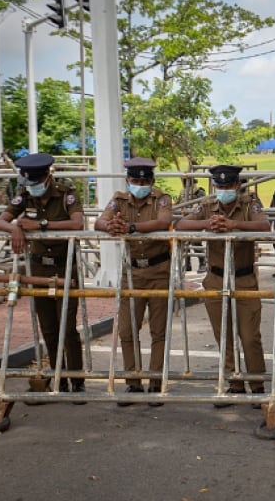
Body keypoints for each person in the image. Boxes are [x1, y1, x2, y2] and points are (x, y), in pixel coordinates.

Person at [175, 165, 271, 407]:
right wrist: (208, 223)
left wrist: (233, 226)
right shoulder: (207, 206)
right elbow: (181, 225)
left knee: (249, 337)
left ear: (237, 186)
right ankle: (234, 384)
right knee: (224, 335)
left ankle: (257, 386)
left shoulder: (250, 204)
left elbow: (264, 226)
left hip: (244, 278)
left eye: (228, 186)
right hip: (216, 278)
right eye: (219, 187)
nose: (223, 191)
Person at [0, 153, 85, 400]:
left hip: (64, 267)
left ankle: (77, 379)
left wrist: (41, 225)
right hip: (38, 269)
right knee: (49, 327)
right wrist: (14, 229)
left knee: (67, 327)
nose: (32, 186)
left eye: (36, 182)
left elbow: (78, 224)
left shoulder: (67, 194)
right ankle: (58, 376)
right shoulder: (24, 195)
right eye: (28, 182)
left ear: (47, 176)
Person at [95, 157, 173, 407]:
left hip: (159, 269)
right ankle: (133, 381)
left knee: (158, 331)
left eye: (145, 180)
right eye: (135, 180)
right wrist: (112, 225)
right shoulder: (119, 200)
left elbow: (163, 222)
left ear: (151, 181)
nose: (140, 184)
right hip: (131, 272)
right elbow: (99, 222)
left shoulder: (162, 198)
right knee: (128, 330)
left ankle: (155, 381)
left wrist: (130, 227)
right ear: (128, 180)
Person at [179, 176, 207, 273]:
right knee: (184, 243)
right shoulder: (183, 192)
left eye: (186, 181)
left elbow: (202, 204)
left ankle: (202, 263)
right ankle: (187, 264)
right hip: (184, 220)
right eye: (183, 181)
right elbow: (179, 203)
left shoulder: (199, 192)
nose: (184, 183)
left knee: (195, 242)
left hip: (195, 220)